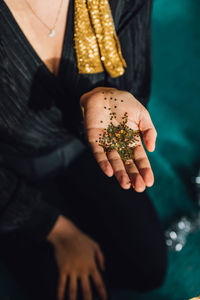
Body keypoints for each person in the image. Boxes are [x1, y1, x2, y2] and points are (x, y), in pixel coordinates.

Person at [0, 0, 167, 300]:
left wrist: (103, 95)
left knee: (148, 268)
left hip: (88, 146)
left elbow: (133, 79)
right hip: (11, 171)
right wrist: (55, 229)